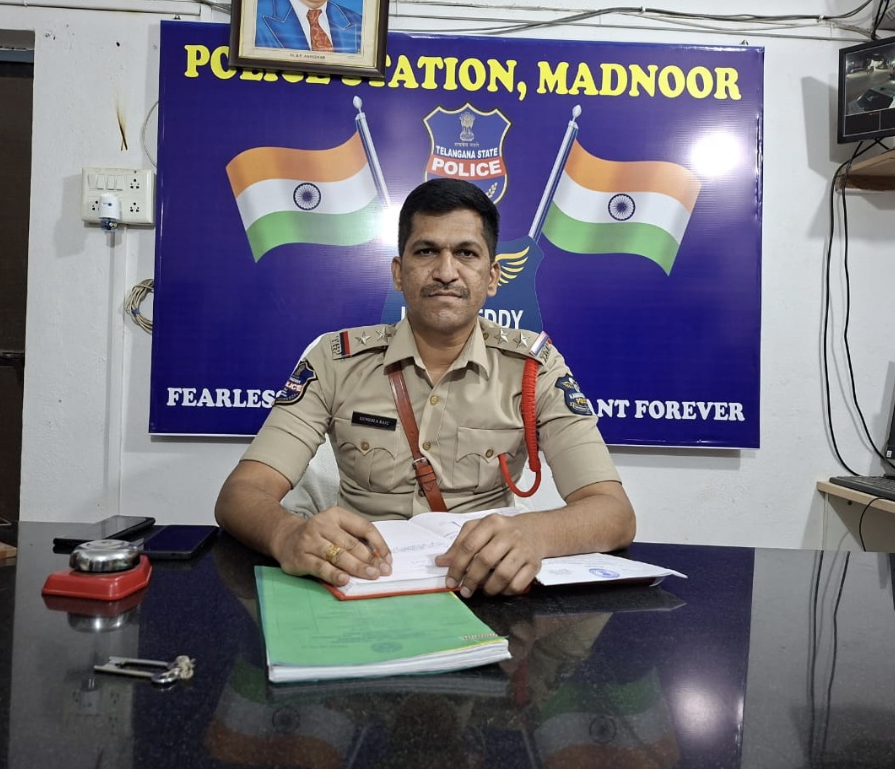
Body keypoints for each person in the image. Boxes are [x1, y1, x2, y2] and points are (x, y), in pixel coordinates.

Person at [216, 178, 636, 597]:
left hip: (481, 592)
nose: (446, 272)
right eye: (426, 251)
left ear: (492, 276)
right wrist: (288, 535)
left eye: (466, 253)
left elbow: (614, 513)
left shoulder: (533, 369)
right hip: (359, 583)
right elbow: (241, 493)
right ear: (399, 273)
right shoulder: (334, 361)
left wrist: (535, 534)